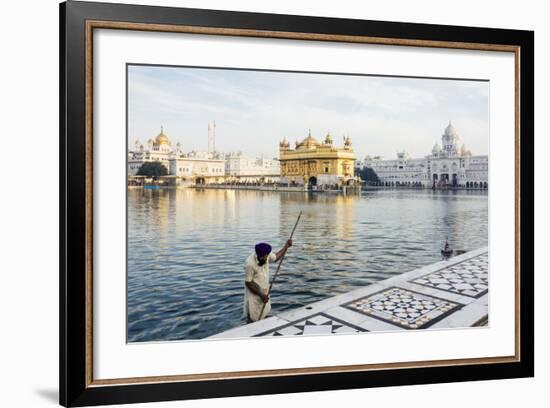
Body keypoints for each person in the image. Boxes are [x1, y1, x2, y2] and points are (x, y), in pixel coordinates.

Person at [243, 240, 292, 322]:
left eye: (267, 256)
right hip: (254, 294)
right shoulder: (250, 264)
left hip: (264, 292)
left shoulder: (267, 254)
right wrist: (260, 294)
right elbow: (248, 282)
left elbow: (276, 257)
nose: (267, 259)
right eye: (265, 257)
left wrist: (286, 246)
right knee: (252, 317)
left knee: (264, 314)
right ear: (259, 256)